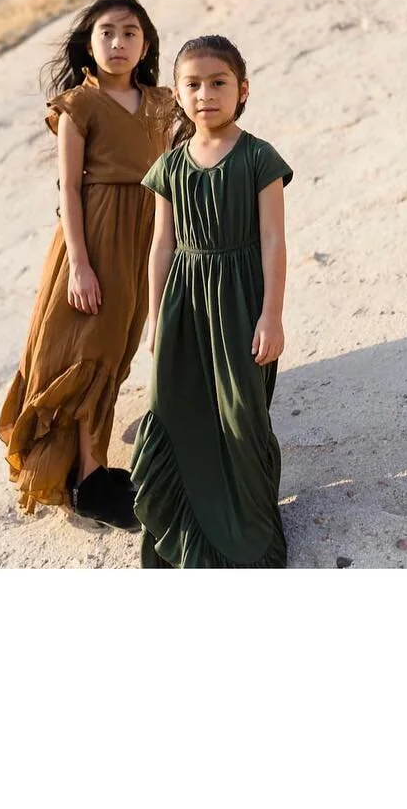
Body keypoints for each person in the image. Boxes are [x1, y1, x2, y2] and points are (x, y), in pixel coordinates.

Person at [0, 0, 175, 529]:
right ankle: (91, 475)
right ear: (88, 44)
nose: (118, 43)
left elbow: (170, 171)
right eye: (107, 32)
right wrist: (79, 264)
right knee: (83, 349)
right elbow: (69, 189)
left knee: (117, 346)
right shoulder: (77, 105)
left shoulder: (163, 102)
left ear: (145, 45)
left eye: (130, 33)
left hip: (144, 232)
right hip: (93, 234)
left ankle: (87, 473)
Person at [130, 34, 292, 568]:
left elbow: (273, 240)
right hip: (183, 305)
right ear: (177, 94)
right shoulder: (170, 166)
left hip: (242, 302)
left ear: (242, 90)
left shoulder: (260, 158)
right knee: (177, 409)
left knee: (242, 412)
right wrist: (155, 319)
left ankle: (246, 529)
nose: (206, 94)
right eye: (192, 84)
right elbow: (161, 246)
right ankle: (185, 527)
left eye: (218, 82)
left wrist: (272, 315)